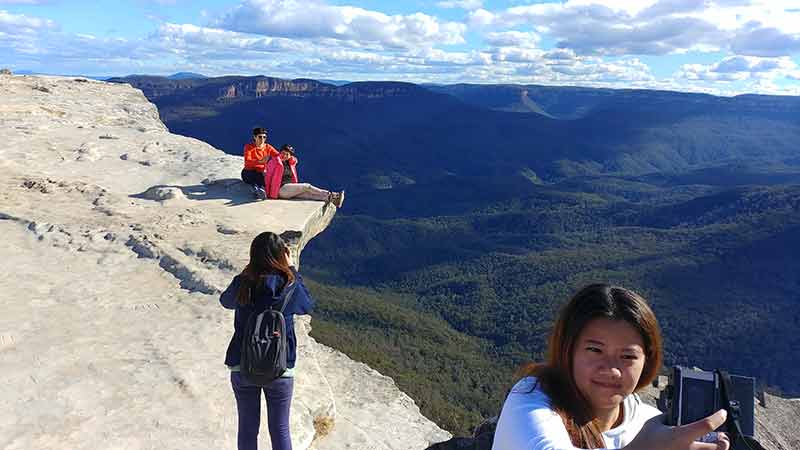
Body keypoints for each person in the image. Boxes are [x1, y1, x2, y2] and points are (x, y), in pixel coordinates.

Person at [492, 284, 730, 450]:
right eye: (595, 350)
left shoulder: (648, 422)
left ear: (647, 361)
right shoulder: (531, 397)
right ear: (568, 350)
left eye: (627, 356)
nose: (611, 369)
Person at [220, 232, 315, 450]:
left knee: (247, 429)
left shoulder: (243, 283)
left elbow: (225, 301)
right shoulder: (289, 286)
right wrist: (292, 269)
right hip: (280, 368)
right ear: (283, 255)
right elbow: (307, 305)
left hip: (242, 365)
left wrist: (245, 275)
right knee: (280, 429)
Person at [264, 144, 345, 208]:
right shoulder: (274, 162)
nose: (284, 155)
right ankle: (332, 194)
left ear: (290, 156)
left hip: (289, 189)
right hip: (280, 190)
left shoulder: (290, 163)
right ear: (280, 152)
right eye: (283, 153)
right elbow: (268, 178)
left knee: (307, 194)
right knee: (306, 187)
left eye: (287, 154)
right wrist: (269, 195)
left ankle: (333, 200)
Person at [241, 127, 279, 199]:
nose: (262, 139)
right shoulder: (248, 147)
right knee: (253, 176)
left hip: (261, 172)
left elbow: (278, 156)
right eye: (260, 137)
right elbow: (248, 161)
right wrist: (260, 161)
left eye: (264, 137)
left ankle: (260, 190)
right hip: (248, 171)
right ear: (254, 137)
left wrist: (290, 158)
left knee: (263, 177)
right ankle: (256, 190)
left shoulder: (268, 147)